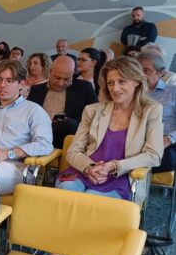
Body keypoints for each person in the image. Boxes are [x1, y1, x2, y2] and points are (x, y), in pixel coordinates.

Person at [56, 57, 163, 203]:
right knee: (66, 189)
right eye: (110, 83)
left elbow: (153, 155)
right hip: (86, 171)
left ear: (137, 81)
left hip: (122, 176)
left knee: (93, 200)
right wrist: (89, 168)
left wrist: (114, 166)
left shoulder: (151, 111)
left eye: (122, 81)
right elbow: (73, 152)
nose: (115, 89)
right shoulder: (92, 110)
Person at [0, 59, 53, 195]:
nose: (2, 85)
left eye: (9, 81)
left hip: (16, 167)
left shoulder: (34, 111)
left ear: (21, 84)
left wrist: (8, 153)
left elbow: (45, 145)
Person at [28, 56, 97, 148]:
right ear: (50, 72)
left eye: (66, 79)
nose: (61, 83)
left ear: (72, 75)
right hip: (36, 132)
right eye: (57, 78)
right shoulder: (36, 90)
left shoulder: (84, 88)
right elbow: (26, 115)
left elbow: (95, 115)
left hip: (65, 135)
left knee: (69, 124)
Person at [138, 52, 176, 173]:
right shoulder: (131, 93)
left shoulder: (173, 92)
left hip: (165, 144)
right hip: (136, 143)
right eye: (138, 70)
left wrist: (168, 139)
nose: (141, 74)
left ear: (160, 73)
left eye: (146, 70)